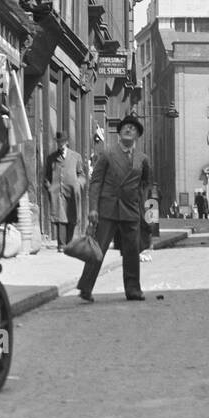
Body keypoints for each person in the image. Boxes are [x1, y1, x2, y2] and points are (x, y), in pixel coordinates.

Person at [77, 114, 152, 303]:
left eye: (133, 128)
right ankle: (85, 288)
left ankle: (133, 290)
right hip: (108, 208)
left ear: (137, 135)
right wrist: (93, 208)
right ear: (119, 133)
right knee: (98, 249)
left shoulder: (142, 159)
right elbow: (96, 182)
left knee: (132, 251)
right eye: (125, 127)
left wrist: (144, 210)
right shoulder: (107, 154)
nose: (129, 129)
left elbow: (145, 185)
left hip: (131, 210)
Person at [43, 131, 86, 250]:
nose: (60, 144)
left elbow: (81, 175)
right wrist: (50, 188)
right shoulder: (51, 158)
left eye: (62, 142)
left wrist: (78, 185)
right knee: (60, 217)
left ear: (66, 142)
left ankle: (69, 243)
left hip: (72, 192)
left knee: (71, 215)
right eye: (58, 142)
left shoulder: (76, 157)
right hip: (58, 192)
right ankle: (61, 245)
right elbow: (47, 177)